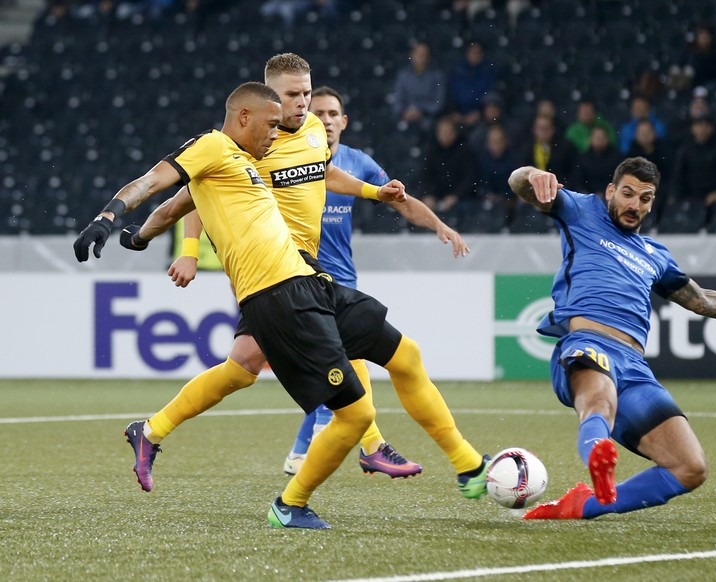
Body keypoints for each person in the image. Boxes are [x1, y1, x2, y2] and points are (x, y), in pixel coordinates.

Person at [75, 66, 489, 529]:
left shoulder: (279, 146)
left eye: (308, 97)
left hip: (311, 280)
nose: (301, 109)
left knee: (393, 356)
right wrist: (114, 223)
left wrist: (376, 192)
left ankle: (468, 465)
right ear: (252, 110)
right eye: (288, 102)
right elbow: (168, 191)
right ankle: (298, 499)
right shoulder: (216, 148)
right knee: (353, 413)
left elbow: (320, 174)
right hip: (277, 295)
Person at [506, 158, 716, 521]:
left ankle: (584, 505)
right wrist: (533, 175)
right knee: (599, 399)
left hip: (634, 368)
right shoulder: (581, 210)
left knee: (690, 467)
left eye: (645, 198)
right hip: (587, 343)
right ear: (611, 192)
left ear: (653, 203)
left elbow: (703, 301)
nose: (635, 204)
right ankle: (598, 457)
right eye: (628, 193)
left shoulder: (655, 256)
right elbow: (518, 183)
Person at [280, 85, 470, 475]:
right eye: (319, 113)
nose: (327, 120)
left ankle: (303, 454)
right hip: (300, 279)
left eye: (334, 114)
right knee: (340, 365)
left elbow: (398, 199)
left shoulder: (357, 163)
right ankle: (370, 446)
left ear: (344, 122)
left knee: (334, 368)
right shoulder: (285, 155)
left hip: (344, 282)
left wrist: (438, 224)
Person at [391, 41, 446, 132]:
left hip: (429, 117)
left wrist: (421, 111)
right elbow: (398, 100)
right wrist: (404, 113)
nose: (421, 56)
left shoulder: (438, 75)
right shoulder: (403, 75)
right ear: (411, 54)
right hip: (406, 116)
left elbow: (438, 103)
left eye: (424, 53)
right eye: (418, 53)